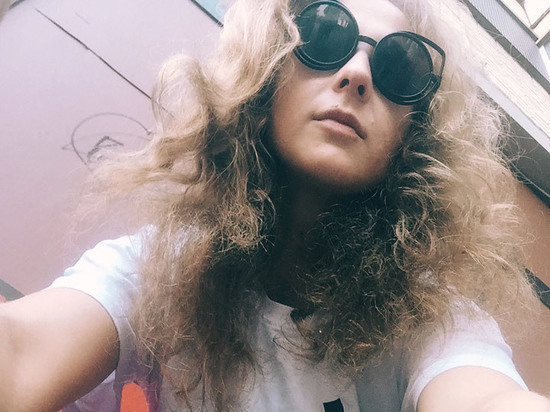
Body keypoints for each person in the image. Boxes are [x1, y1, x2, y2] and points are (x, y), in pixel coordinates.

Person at [1, 0, 549, 410]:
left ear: (415, 138)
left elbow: (486, 398)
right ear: (266, 77)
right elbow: (21, 352)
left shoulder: (435, 323)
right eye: (323, 36)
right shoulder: (158, 270)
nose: (357, 74)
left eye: (400, 69)